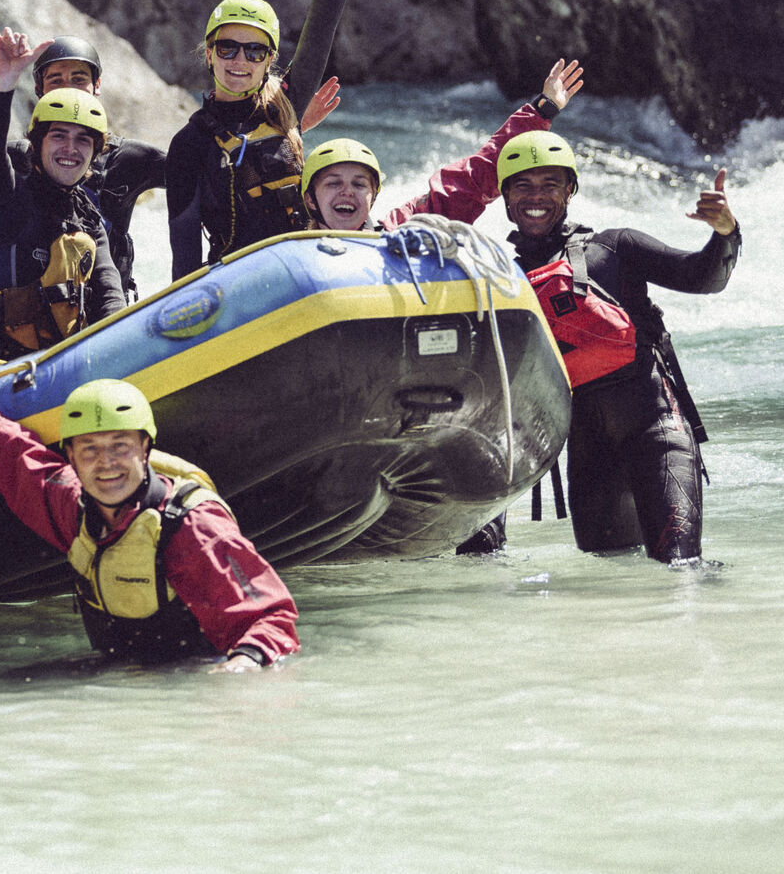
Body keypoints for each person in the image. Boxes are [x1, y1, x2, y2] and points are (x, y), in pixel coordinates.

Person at [0, 41, 342, 301]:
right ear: (39, 93)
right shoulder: (18, 161)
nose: (68, 88)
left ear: (97, 88)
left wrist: (286, 131)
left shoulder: (130, 159)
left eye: (79, 79)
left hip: (108, 306)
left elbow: (215, 174)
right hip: (31, 313)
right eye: (55, 80)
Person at [0, 375, 298, 667]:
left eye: (120, 445)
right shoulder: (69, 505)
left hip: (197, 672)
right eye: (90, 448)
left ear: (145, 448)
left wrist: (243, 666)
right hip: (119, 671)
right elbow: (11, 454)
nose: (106, 462)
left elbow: (272, 620)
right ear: (71, 455)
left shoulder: (192, 526)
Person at [496, 132, 740, 564]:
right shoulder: (501, 283)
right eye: (523, 185)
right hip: (590, 459)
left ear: (570, 191)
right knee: (608, 582)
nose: (536, 197)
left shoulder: (614, 248)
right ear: (506, 197)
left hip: (657, 435)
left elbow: (702, 277)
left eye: (550, 184)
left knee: (682, 569)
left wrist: (725, 234)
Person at [164, 0, 374, 274]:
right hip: (240, 286)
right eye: (227, 48)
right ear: (209, 54)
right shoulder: (188, 145)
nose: (240, 61)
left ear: (270, 60)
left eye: (255, 52)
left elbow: (322, 24)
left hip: (307, 270)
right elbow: (185, 254)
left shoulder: (285, 106)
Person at [0, 20, 126, 358]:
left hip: (62, 365)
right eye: (58, 136)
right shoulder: (7, 201)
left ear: (94, 153)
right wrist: (4, 82)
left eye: (83, 140)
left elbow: (110, 296)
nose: (70, 149)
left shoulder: (87, 220)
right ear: (38, 142)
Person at [298, 59, 586, 232]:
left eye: (360, 184)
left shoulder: (398, 234)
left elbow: (474, 179)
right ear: (310, 199)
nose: (348, 192)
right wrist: (293, 129)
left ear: (373, 197)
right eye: (333, 183)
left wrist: (542, 110)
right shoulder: (284, 244)